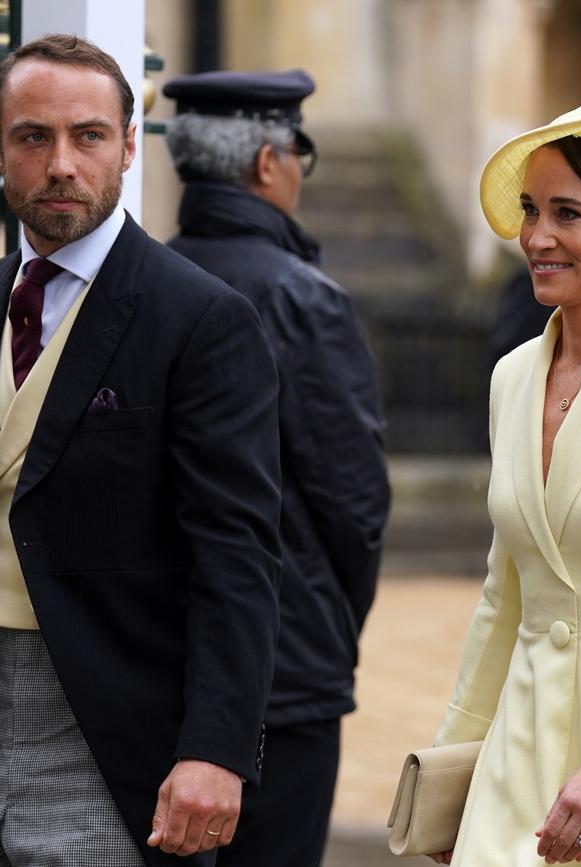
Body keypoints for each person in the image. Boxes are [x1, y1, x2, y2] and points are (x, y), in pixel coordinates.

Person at [0, 34, 282, 867]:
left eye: (87, 136)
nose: (60, 164)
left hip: (109, 730)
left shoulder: (200, 318)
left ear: (129, 147)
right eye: (31, 136)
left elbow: (239, 554)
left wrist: (217, 747)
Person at [430, 12, 581, 866]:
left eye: (568, 213)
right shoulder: (513, 375)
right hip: (517, 772)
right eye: (530, 210)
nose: (536, 237)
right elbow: (504, 597)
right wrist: (452, 772)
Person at [162, 69, 390, 867]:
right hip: (284, 676)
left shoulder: (141, 285)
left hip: (155, 660)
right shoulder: (301, 297)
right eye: (301, 150)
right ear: (268, 162)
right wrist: (330, 634)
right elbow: (354, 505)